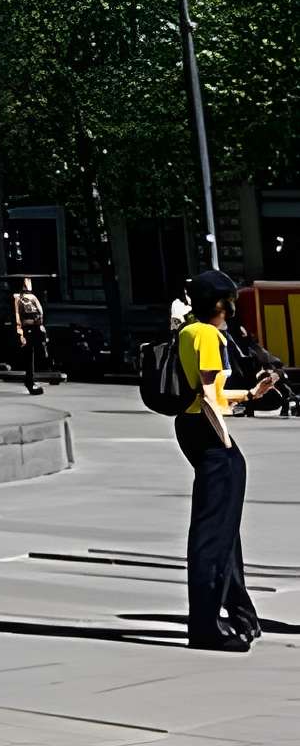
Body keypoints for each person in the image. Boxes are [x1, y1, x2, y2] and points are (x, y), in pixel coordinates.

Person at [176, 270, 274, 650]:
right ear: (221, 305)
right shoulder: (208, 335)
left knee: (222, 527)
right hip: (208, 432)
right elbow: (207, 395)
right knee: (213, 534)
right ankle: (204, 625)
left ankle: (239, 612)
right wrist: (226, 443)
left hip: (191, 425)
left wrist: (250, 393)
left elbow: (211, 393)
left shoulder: (188, 332)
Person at [10, 274, 46, 395]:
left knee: (34, 354)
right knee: (29, 355)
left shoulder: (32, 296)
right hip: (27, 329)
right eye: (27, 280)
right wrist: (20, 332)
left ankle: (30, 379)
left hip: (35, 327)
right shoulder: (17, 297)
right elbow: (17, 316)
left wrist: (41, 326)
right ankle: (30, 381)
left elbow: (40, 312)